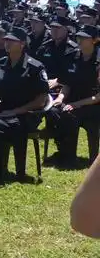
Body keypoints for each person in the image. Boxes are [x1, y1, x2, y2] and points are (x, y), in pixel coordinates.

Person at [0, 26, 48, 181]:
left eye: (12, 41)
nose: (7, 44)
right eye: (6, 40)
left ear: (22, 44)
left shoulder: (34, 67)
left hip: (25, 115)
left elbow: (41, 100)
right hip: (2, 110)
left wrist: (17, 111)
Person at [46, 25, 100, 167]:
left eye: (84, 38)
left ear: (94, 40)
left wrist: (77, 104)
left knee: (69, 115)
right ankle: (62, 151)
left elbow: (98, 97)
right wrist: (60, 98)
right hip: (72, 100)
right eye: (79, 37)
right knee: (53, 111)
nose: (80, 40)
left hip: (92, 105)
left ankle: (69, 157)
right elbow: (67, 84)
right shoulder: (73, 56)